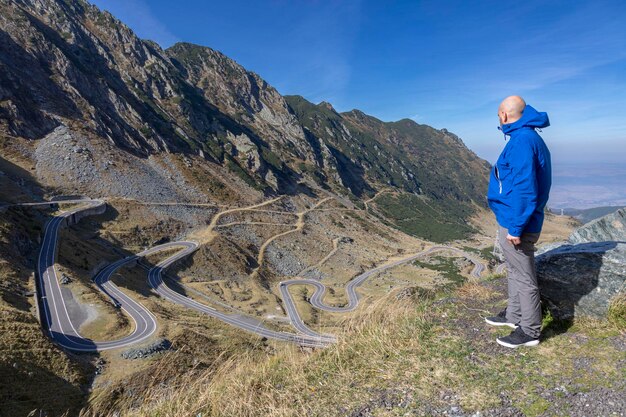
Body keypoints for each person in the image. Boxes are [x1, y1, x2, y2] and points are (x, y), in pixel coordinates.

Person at [485, 95, 552, 348]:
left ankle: (530, 330)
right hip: (512, 218)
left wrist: (516, 227)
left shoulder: (523, 141)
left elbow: (525, 188)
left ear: (504, 115)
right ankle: (514, 316)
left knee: (524, 275)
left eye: (498, 116)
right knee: (514, 270)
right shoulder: (525, 137)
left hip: (518, 222)